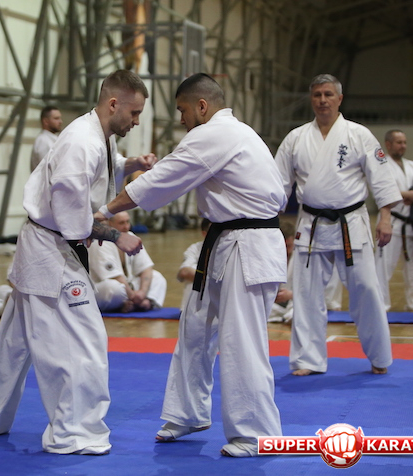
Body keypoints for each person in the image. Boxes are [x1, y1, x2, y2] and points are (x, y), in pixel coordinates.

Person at [0, 69, 155, 455]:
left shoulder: (95, 134)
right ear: (112, 104)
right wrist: (118, 236)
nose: (136, 121)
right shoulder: (81, 143)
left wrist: (132, 163)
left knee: (14, 343)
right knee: (82, 340)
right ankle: (73, 432)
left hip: (43, 245)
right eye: (134, 113)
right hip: (52, 250)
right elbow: (73, 223)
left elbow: (105, 164)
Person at [97, 73, 286, 457]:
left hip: (247, 243)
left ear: (202, 106)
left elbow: (162, 179)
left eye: (183, 110)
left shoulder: (216, 134)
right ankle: (188, 413)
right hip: (226, 240)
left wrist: (104, 211)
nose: (181, 119)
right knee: (195, 327)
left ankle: (255, 435)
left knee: (241, 340)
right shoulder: (236, 133)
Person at [275, 74, 402, 376]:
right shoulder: (295, 138)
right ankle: (308, 360)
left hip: (351, 223)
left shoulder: (359, 135)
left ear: (339, 99)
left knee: (367, 290)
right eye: (317, 95)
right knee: (306, 295)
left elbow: (382, 179)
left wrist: (385, 217)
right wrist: (269, 220)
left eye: (328, 94)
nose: (322, 100)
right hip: (311, 225)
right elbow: (278, 184)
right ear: (311, 99)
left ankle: (379, 356)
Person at [374, 130, 413, 312]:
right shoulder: (381, 164)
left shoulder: (412, 166)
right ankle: (381, 304)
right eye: (399, 142)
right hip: (390, 221)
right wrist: (411, 194)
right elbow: (383, 190)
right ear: (388, 144)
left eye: (404, 142)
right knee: (383, 267)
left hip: (412, 224)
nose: (403, 146)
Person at [88, 211, 167, 312]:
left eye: (127, 222)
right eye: (121, 223)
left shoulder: (130, 236)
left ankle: (146, 303)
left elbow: (146, 267)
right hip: (101, 288)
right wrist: (132, 295)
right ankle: (124, 305)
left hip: (127, 286)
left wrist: (142, 292)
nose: (126, 227)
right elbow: (114, 277)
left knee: (157, 277)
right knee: (114, 288)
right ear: (109, 223)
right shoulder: (100, 241)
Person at [177, 218, 211, 309]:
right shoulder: (195, 248)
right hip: (197, 303)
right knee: (195, 275)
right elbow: (184, 272)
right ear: (204, 233)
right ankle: (190, 310)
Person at [268, 219, 296, 323]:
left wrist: (291, 295)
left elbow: (311, 290)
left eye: (289, 246)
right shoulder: (269, 257)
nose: (286, 250)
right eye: (283, 246)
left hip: (293, 302)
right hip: (273, 305)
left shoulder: (301, 259)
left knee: (299, 313)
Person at [30, 105, 63, 172]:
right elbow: (47, 170)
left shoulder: (52, 139)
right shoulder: (43, 141)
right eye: (56, 118)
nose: (60, 122)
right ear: (46, 121)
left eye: (60, 118)